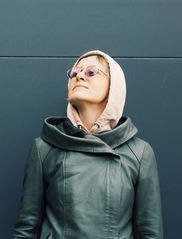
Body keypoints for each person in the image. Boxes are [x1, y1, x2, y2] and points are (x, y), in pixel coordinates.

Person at [13, 50, 163, 239]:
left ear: (114, 86)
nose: (80, 76)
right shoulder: (45, 147)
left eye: (92, 72)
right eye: (74, 73)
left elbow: (150, 232)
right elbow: (26, 229)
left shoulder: (139, 153)